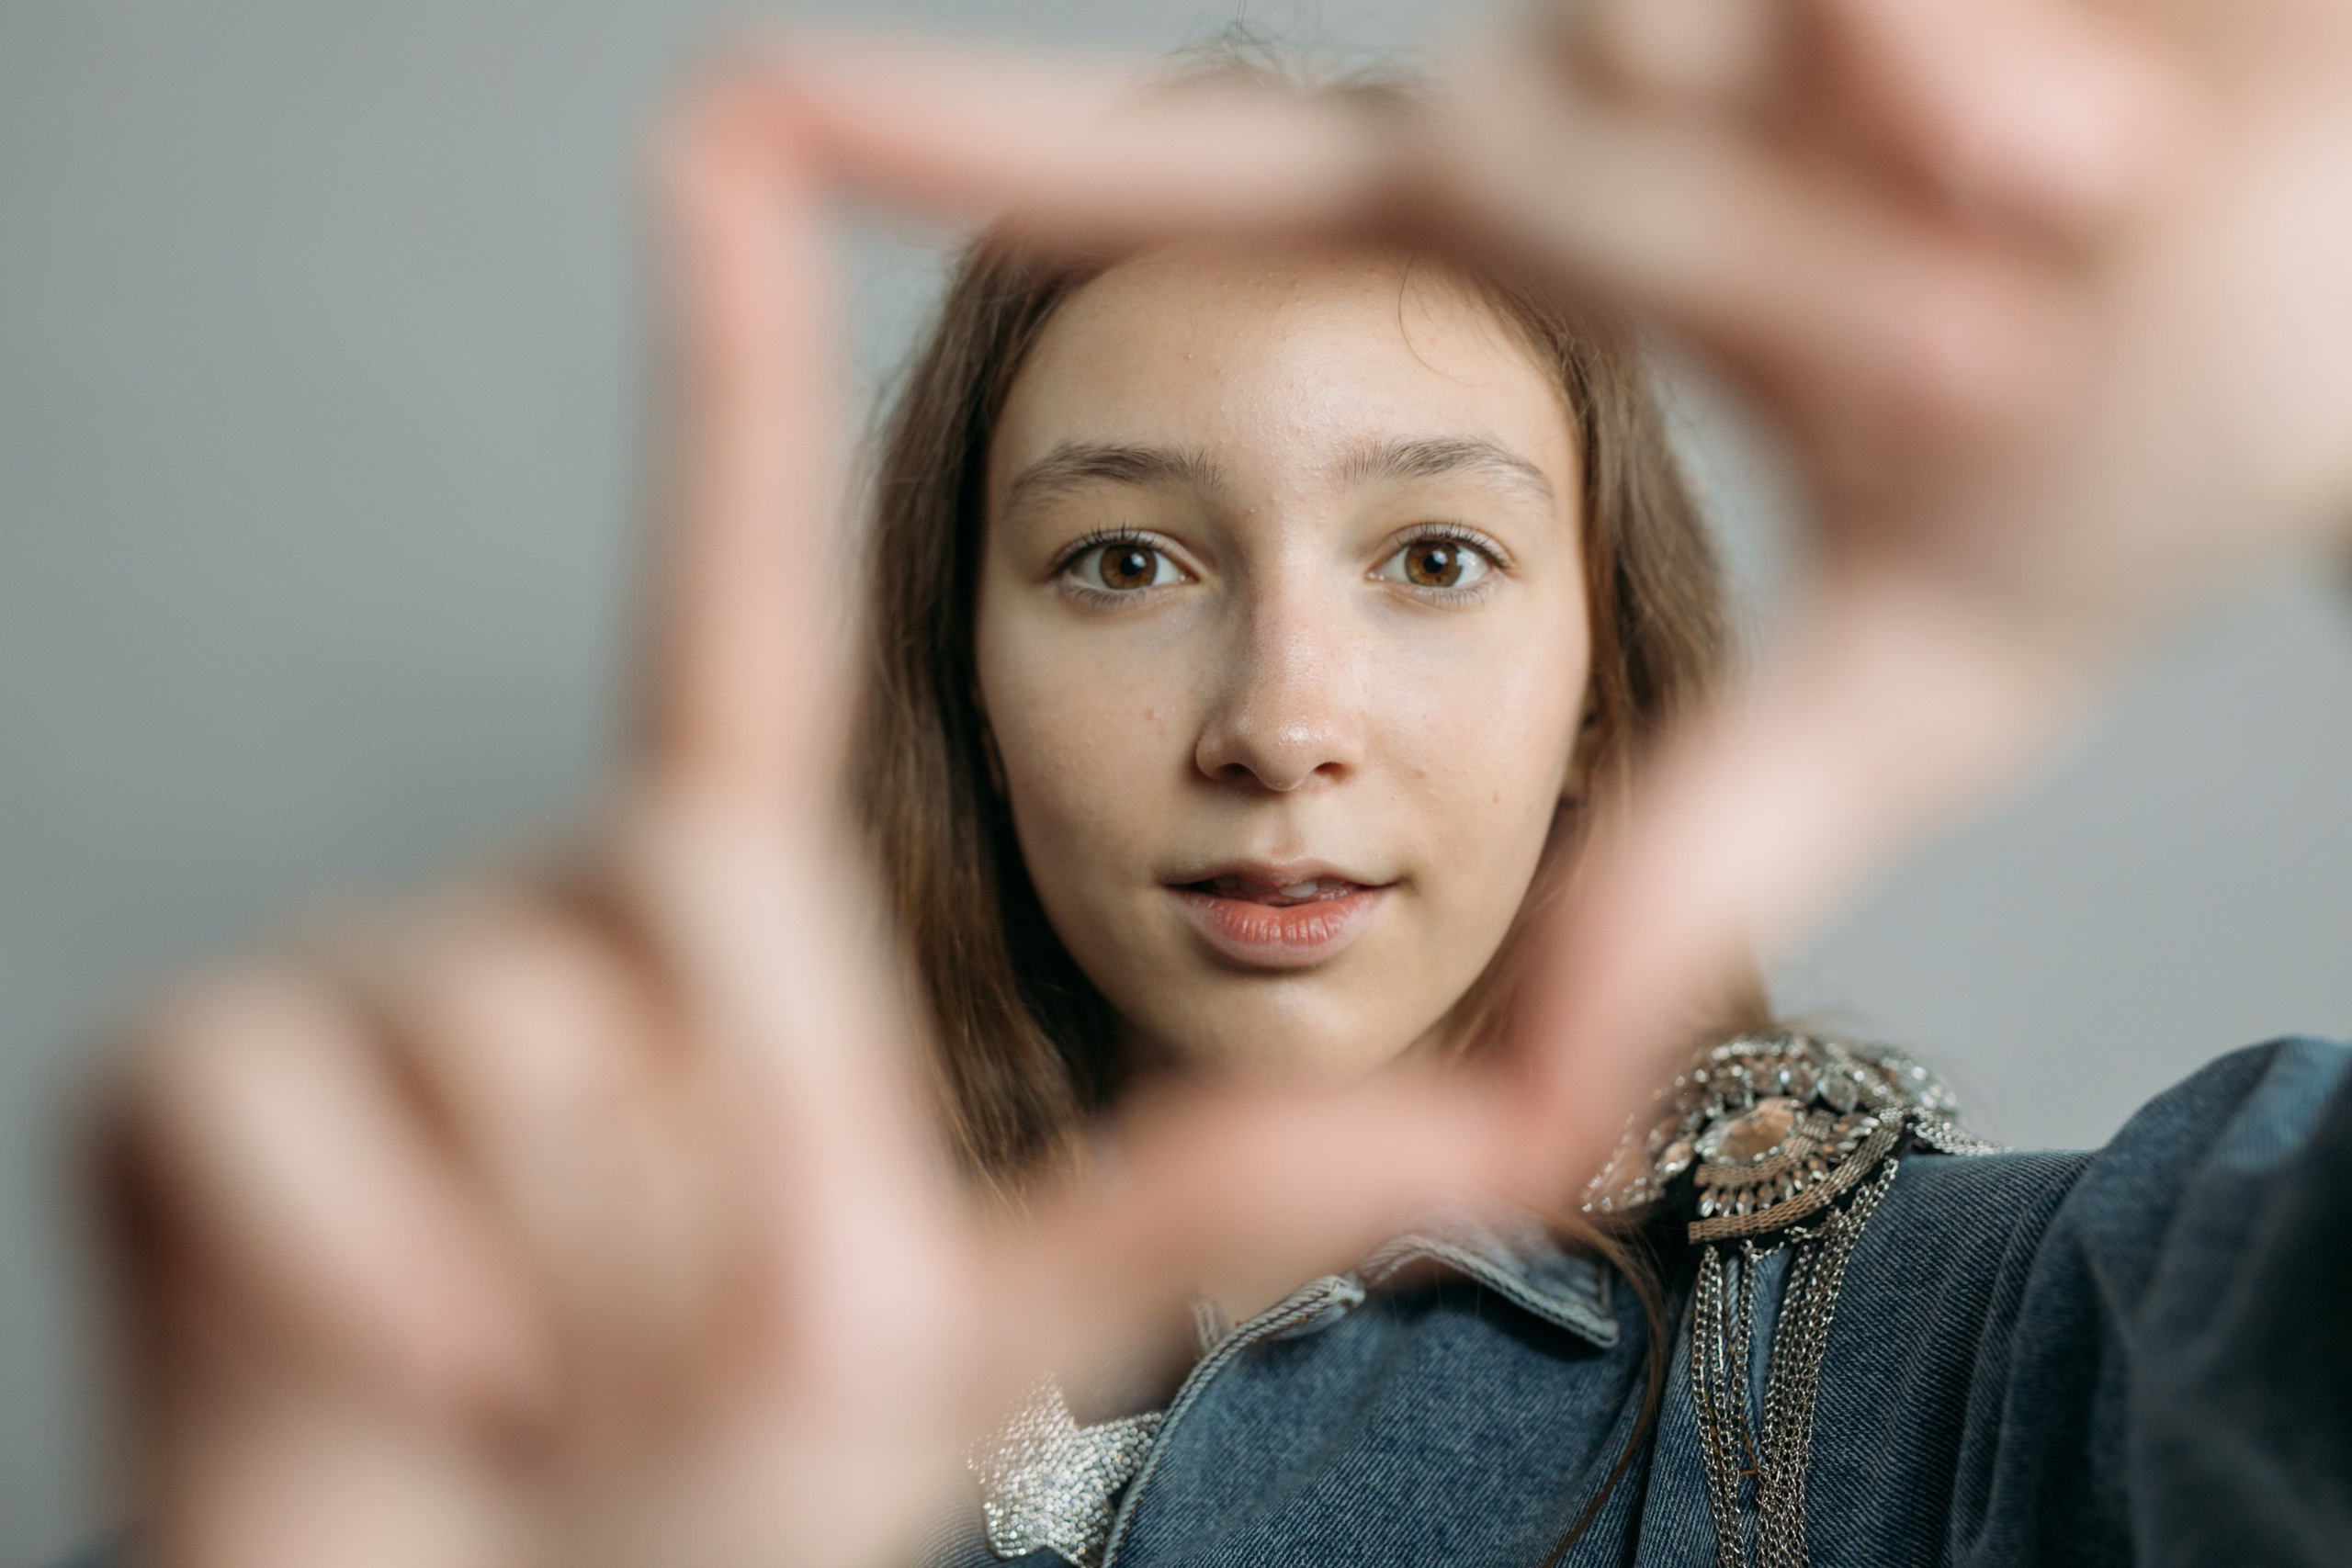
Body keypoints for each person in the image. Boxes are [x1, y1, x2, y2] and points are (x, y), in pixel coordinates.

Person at [91, 3, 2352, 1566]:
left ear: (1599, 679)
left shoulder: (1964, 1351)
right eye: (1123, 560)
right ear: (962, 677)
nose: (1278, 718)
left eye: (1434, 556)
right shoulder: (562, 1403)